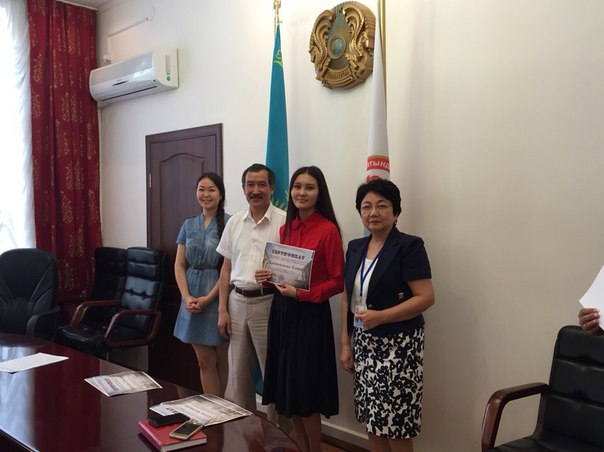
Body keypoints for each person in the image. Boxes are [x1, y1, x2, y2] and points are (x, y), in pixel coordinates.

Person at [339, 178, 435, 452]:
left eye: (382, 205)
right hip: (364, 343)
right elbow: (347, 295)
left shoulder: (409, 246)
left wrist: (382, 316)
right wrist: (345, 343)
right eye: (366, 206)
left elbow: (426, 297)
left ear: (395, 211)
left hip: (399, 346)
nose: (373, 212)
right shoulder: (355, 247)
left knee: (397, 423)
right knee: (372, 417)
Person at [256, 166, 344, 452]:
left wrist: (303, 294)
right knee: (288, 391)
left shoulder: (328, 230)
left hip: (310, 317)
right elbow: (283, 276)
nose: (301, 192)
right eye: (297, 186)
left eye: (309, 187)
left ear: (319, 193)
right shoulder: (286, 228)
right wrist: (267, 278)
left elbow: (338, 281)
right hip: (283, 314)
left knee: (306, 394)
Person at [216, 163, 286, 422]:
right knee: (239, 374)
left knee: (273, 372)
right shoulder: (235, 222)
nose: (255, 190)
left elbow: (293, 270)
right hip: (236, 302)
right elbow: (226, 268)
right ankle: (244, 431)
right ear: (243, 188)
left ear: (272, 188)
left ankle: (279, 434)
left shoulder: (284, 222)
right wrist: (222, 310)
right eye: (250, 185)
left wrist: (274, 276)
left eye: (261, 185)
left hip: (268, 303)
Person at [173, 172, 231, 397]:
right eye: (201, 189)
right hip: (190, 295)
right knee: (204, 360)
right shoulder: (188, 224)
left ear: (220, 194)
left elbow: (229, 268)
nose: (206, 194)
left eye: (211, 189)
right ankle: (212, 409)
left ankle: (219, 406)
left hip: (219, 295)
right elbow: (179, 264)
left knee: (221, 357)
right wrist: (186, 296)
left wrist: (208, 299)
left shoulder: (230, 223)